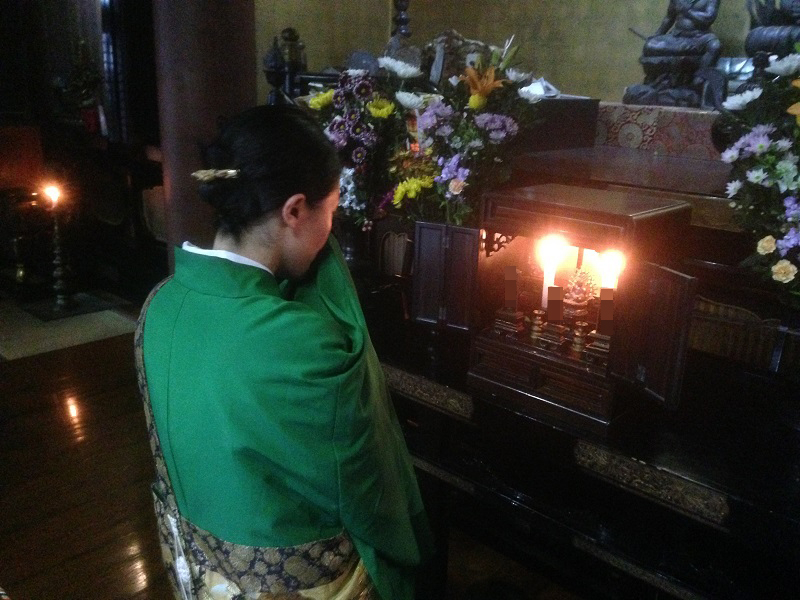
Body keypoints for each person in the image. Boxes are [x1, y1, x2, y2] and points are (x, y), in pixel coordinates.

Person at [135, 104, 432, 600]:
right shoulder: (304, 342)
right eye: (331, 213)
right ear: (294, 211)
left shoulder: (157, 306)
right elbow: (369, 492)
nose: (329, 235)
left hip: (194, 566)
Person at [643, 0, 722, 75]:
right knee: (649, 45)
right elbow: (669, 18)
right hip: (678, 36)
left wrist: (687, 11)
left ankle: (701, 76)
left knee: (715, 46)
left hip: (701, 36)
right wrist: (658, 34)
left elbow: (708, 18)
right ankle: (662, 79)